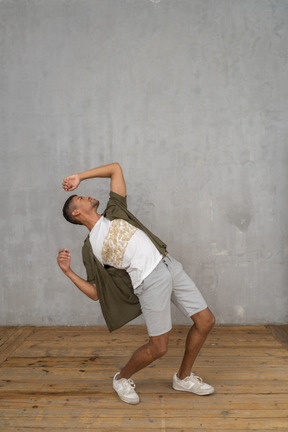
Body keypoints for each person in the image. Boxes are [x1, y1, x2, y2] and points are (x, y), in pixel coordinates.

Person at [57, 162, 215, 405]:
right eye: (81, 198)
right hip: (149, 282)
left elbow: (115, 169)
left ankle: (183, 378)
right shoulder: (90, 249)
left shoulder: (114, 211)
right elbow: (96, 293)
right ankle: (121, 378)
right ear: (76, 213)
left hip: (169, 265)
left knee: (205, 321)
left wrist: (80, 176)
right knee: (159, 348)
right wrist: (68, 272)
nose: (88, 195)